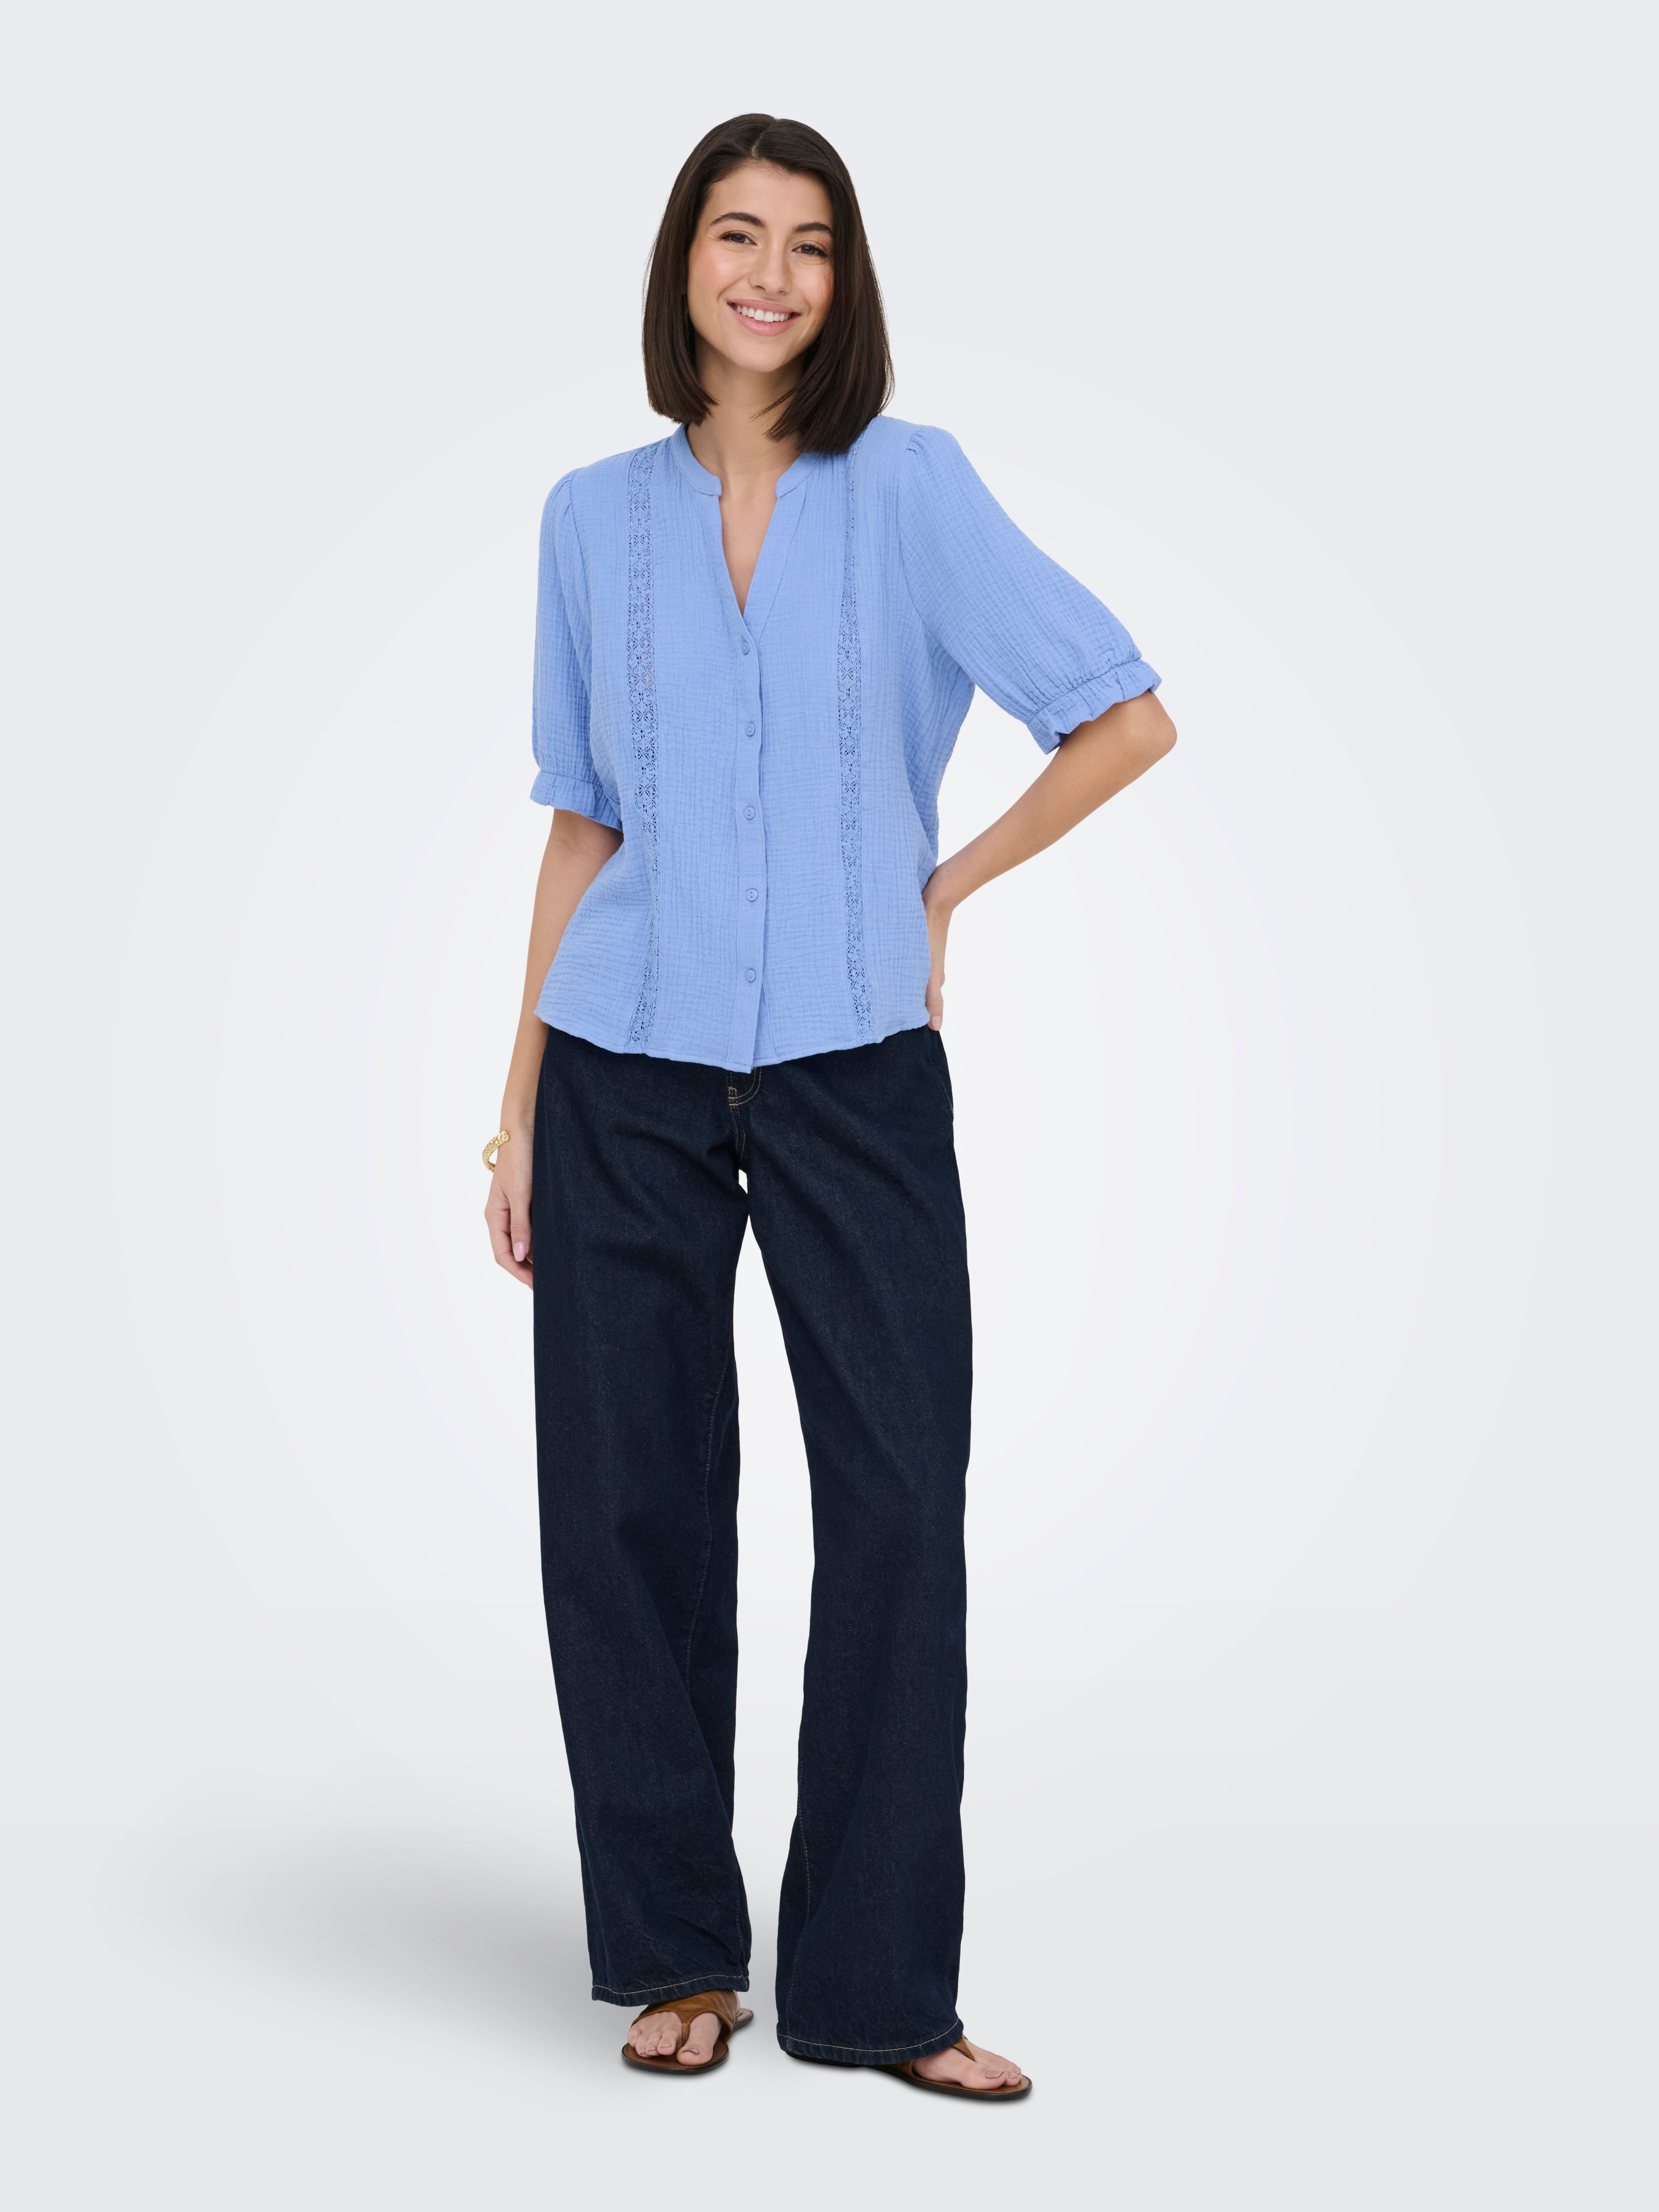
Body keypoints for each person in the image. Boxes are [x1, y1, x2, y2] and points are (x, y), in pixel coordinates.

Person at [483, 113, 1174, 2099]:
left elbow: (1122, 717)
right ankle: (675, 1952)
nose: (769, 275)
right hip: (621, 1059)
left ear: (844, 280)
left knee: (894, 1501)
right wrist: (519, 1099)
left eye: (807, 243)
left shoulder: (913, 488)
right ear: (682, 264)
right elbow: (581, 823)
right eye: (735, 234)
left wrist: (939, 888)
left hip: (856, 1056)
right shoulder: (587, 517)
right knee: (623, 1506)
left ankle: (880, 1990)